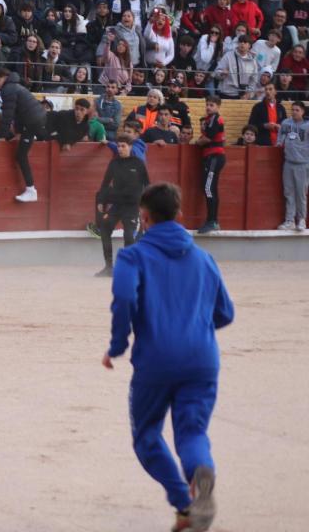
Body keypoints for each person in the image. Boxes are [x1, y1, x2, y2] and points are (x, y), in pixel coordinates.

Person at [102, 181, 233, 532]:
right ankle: (200, 472)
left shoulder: (132, 256)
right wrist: (193, 329)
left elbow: (124, 299)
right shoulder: (204, 259)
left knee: (147, 436)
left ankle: (184, 505)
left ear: (144, 218)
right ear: (179, 214)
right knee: (192, 434)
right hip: (202, 359)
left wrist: (117, 346)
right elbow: (225, 313)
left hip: (156, 360)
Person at [0, 68, 46, 203]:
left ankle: (31, 190)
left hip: (32, 123)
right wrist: (19, 131)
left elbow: (8, 115)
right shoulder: (14, 86)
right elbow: (17, 112)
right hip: (36, 120)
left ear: (4, 77)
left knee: (21, 155)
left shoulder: (8, 89)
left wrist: (2, 136)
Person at [93, 139, 149, 277]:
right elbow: (105, 183)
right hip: (117, 205)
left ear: (130, 147)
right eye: (118, 146)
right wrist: (101, 200)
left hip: (132, 206)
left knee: (129, 236)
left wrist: (146, 204)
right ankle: (108, 267)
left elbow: (147, 184)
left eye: (123, 146)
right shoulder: (114, 163)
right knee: (105, 228)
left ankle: (127, 268)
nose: (120, 149)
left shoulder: (138, 163)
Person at [194, 96, 226, 234]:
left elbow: (207, 138)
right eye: (207, 104)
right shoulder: (210, 119)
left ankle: (212, 221)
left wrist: (198, 142)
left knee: (208, 188)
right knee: (211, 188)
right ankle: (213, 221)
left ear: (218, 106)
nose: (208, 107)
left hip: (214, 156)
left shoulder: (215, 119)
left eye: (211, 105)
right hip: (213, 157)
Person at [277, 100, 309, 231]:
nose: (294, 112)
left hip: (303, 163)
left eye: (297, 110)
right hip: (288, 162)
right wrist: (279, 143)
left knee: (301, 193)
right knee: (288, 192)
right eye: (293, 109)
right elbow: (279, 140)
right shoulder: (286, 123)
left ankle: (301, 220)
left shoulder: (308, 125)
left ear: (303, 112)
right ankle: (289, 220)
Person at [247, 82, 286, 146]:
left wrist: (280, 127)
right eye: (266, 89)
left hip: (279, 143)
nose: (268, 91)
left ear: (275, 92)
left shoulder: (281, 108)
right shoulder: (258, 107)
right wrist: (264, 126)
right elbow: (251, 125)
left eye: (270, 89)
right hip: (263, 143)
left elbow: (286, 125)